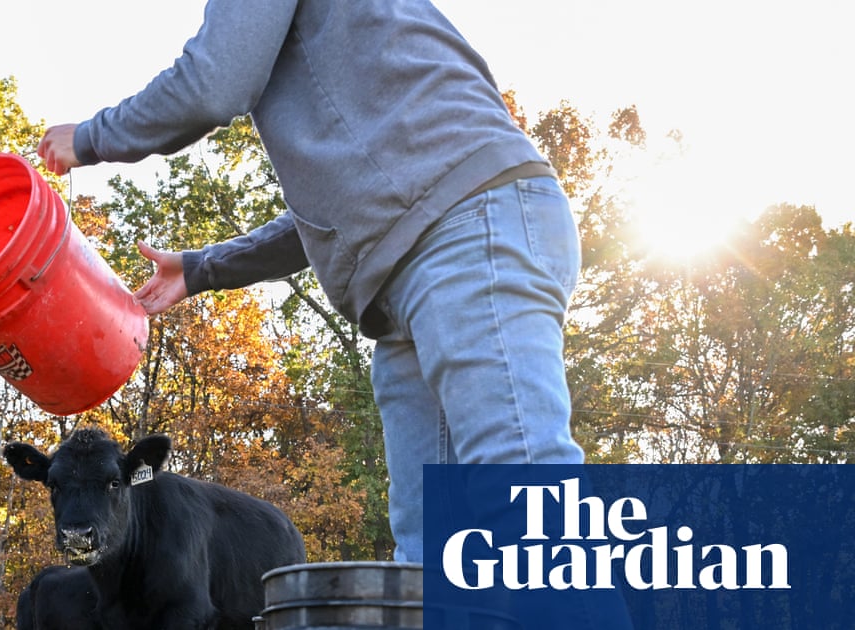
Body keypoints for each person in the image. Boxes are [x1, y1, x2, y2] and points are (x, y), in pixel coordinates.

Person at [37, 2, 632, 627]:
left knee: (525, 504)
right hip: (411, 272)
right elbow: (328, 218)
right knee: (430, 556)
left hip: (468, 228)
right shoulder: (365, 92)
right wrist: (203, 268)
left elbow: (214, 84)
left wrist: (89, 137)